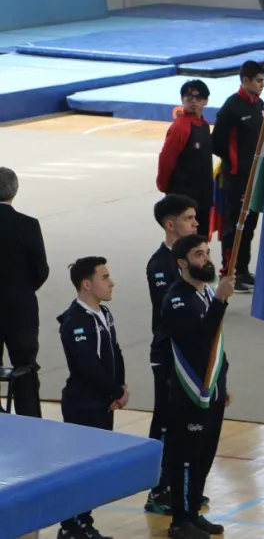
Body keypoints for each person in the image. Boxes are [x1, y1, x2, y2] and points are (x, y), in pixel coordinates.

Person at [162, 234, 235, 539]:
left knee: (205, 456)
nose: (206, 259)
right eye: (198, 255)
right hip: (189, 393)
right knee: (188, 457)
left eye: (207, 252)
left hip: (211, 390)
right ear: (182, 263)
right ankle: (180, 520)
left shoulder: (203, 293)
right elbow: (199, 342)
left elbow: (218, 348)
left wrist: (222, 384)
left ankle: (193, 511)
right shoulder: (177, 299)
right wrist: (219, 301)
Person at [57, 256, 125, 539]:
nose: (111, 282)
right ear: (87, 284)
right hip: (83, 403)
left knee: (94, 467)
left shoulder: (104, 313)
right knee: (80, 467)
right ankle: (70, 525)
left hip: (103, 400)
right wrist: (113, 390)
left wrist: (119, 387)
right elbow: (87, 366)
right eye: (105, 277)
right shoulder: (76, 322)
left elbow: (115, 351)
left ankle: (85, 521)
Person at [144, 194, 200, 515]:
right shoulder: (161, 264)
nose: (196, 223)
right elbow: (172, 310)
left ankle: (180, 486)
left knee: (185, 422)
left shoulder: (191, 258)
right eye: (189, 218)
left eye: (195, 217)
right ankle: (158, 488)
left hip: (189, 350)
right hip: (168, 351)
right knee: (164, 420)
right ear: (170, 225)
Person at [211, 61, 264, 291]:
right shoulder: (231, 108)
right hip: (235, 178)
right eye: (259, 81)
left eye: (263, 81)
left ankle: (242, 269)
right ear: (245, 81)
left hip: (254, 176)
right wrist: (236, 164)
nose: (263, 85)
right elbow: (216, 143)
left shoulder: (259, 104)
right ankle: (228, 271)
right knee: (234, 225)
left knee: (250, 224)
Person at [0, 167, 48, 418]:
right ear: (14, 191)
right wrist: (23, 289)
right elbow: (41, 269)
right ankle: (30, 420)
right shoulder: (28, 225)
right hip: (21, 309)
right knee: (26, 366)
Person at [156, 80, 214, 232]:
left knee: (201, 239)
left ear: (205, 101)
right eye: (189, 97)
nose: (193, 101)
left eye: (198, 97)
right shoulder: (180, 127)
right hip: (184, 197)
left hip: (203, 196)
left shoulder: (204, 125)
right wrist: (164, 187)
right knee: (185, 242)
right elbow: (166, 160)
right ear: (182, 100)